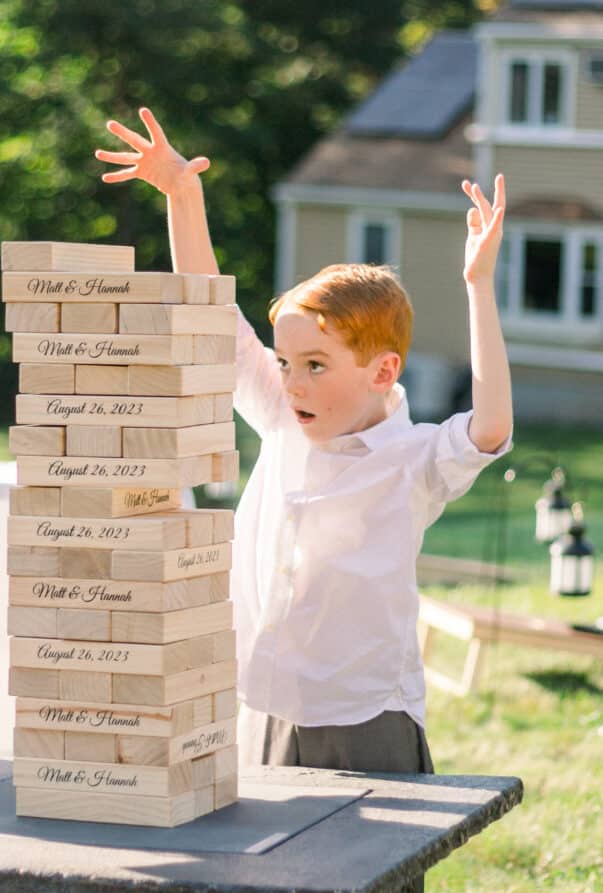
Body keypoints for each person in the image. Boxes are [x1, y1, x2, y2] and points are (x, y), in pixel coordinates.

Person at [96, 107, 513, 774]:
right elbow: (211, 317)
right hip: (266, 703)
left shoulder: (413, 461)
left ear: (381, 372)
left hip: (366, 717)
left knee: (374, 877)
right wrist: (182, 194)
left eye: (314, 366)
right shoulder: (281, 419)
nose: (291, 383)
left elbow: (489, 426)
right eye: (286, 363)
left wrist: (478, 284)